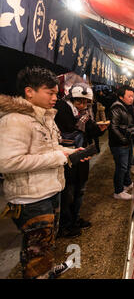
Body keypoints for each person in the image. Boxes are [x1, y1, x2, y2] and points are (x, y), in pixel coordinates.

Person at [0, 67, 82, 278]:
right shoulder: (15, 120)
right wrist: (58, 158)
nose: (56, 97)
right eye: (50, 92)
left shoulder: (43, 117)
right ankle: (39, 274)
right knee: (35, 249)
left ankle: (47, 270)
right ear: (29, 92)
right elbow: (7, 162)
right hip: (30, 198)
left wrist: (69, 152)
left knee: (45, 243)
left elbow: (47, 148)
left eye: (56, 93)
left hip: (48, 190)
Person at [54, 82, 108, 238]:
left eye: (85, 102)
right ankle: (65, 225)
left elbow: (90, 131)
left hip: (82, 155)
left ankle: (75, 220)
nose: (82, 104)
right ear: (71, 98)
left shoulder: (86, 114)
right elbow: (70, 129)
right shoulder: (62, 109)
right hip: (68, 157)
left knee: (80, 191)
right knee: (68, 192)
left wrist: (100, 129)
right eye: (79, 101)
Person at [108, 85, 134, 200]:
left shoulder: (129, 107)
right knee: (121, 167)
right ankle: (118, 191)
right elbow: (114, 127)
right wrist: (123, 139)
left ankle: (127, 183)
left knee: (127, 165)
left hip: (127, 141)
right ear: (121, 97)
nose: (132, 98)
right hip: (119, 144)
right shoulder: (116, 108)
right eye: (129, 96)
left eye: (133, 96)